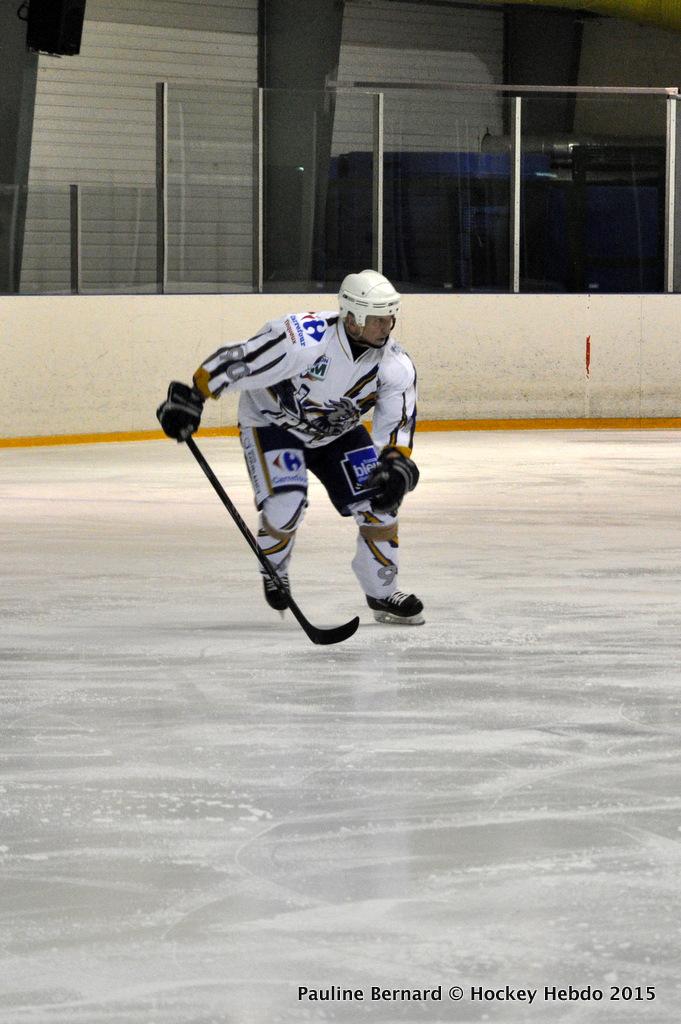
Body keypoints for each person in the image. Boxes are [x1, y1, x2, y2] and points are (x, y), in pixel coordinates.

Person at [156, 269, 424, 625]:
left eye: (389, 318)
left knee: (381, 500)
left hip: (337, 432)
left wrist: (395, 463)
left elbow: (397, 424)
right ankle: (275, 568)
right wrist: (193, 396)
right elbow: (244, 358)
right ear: (352, 318)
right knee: (287, 501)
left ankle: (382, 590)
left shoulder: (395, 364)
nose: (386, 327)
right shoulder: (304, 339)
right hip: (272, 423)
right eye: (377, 319)